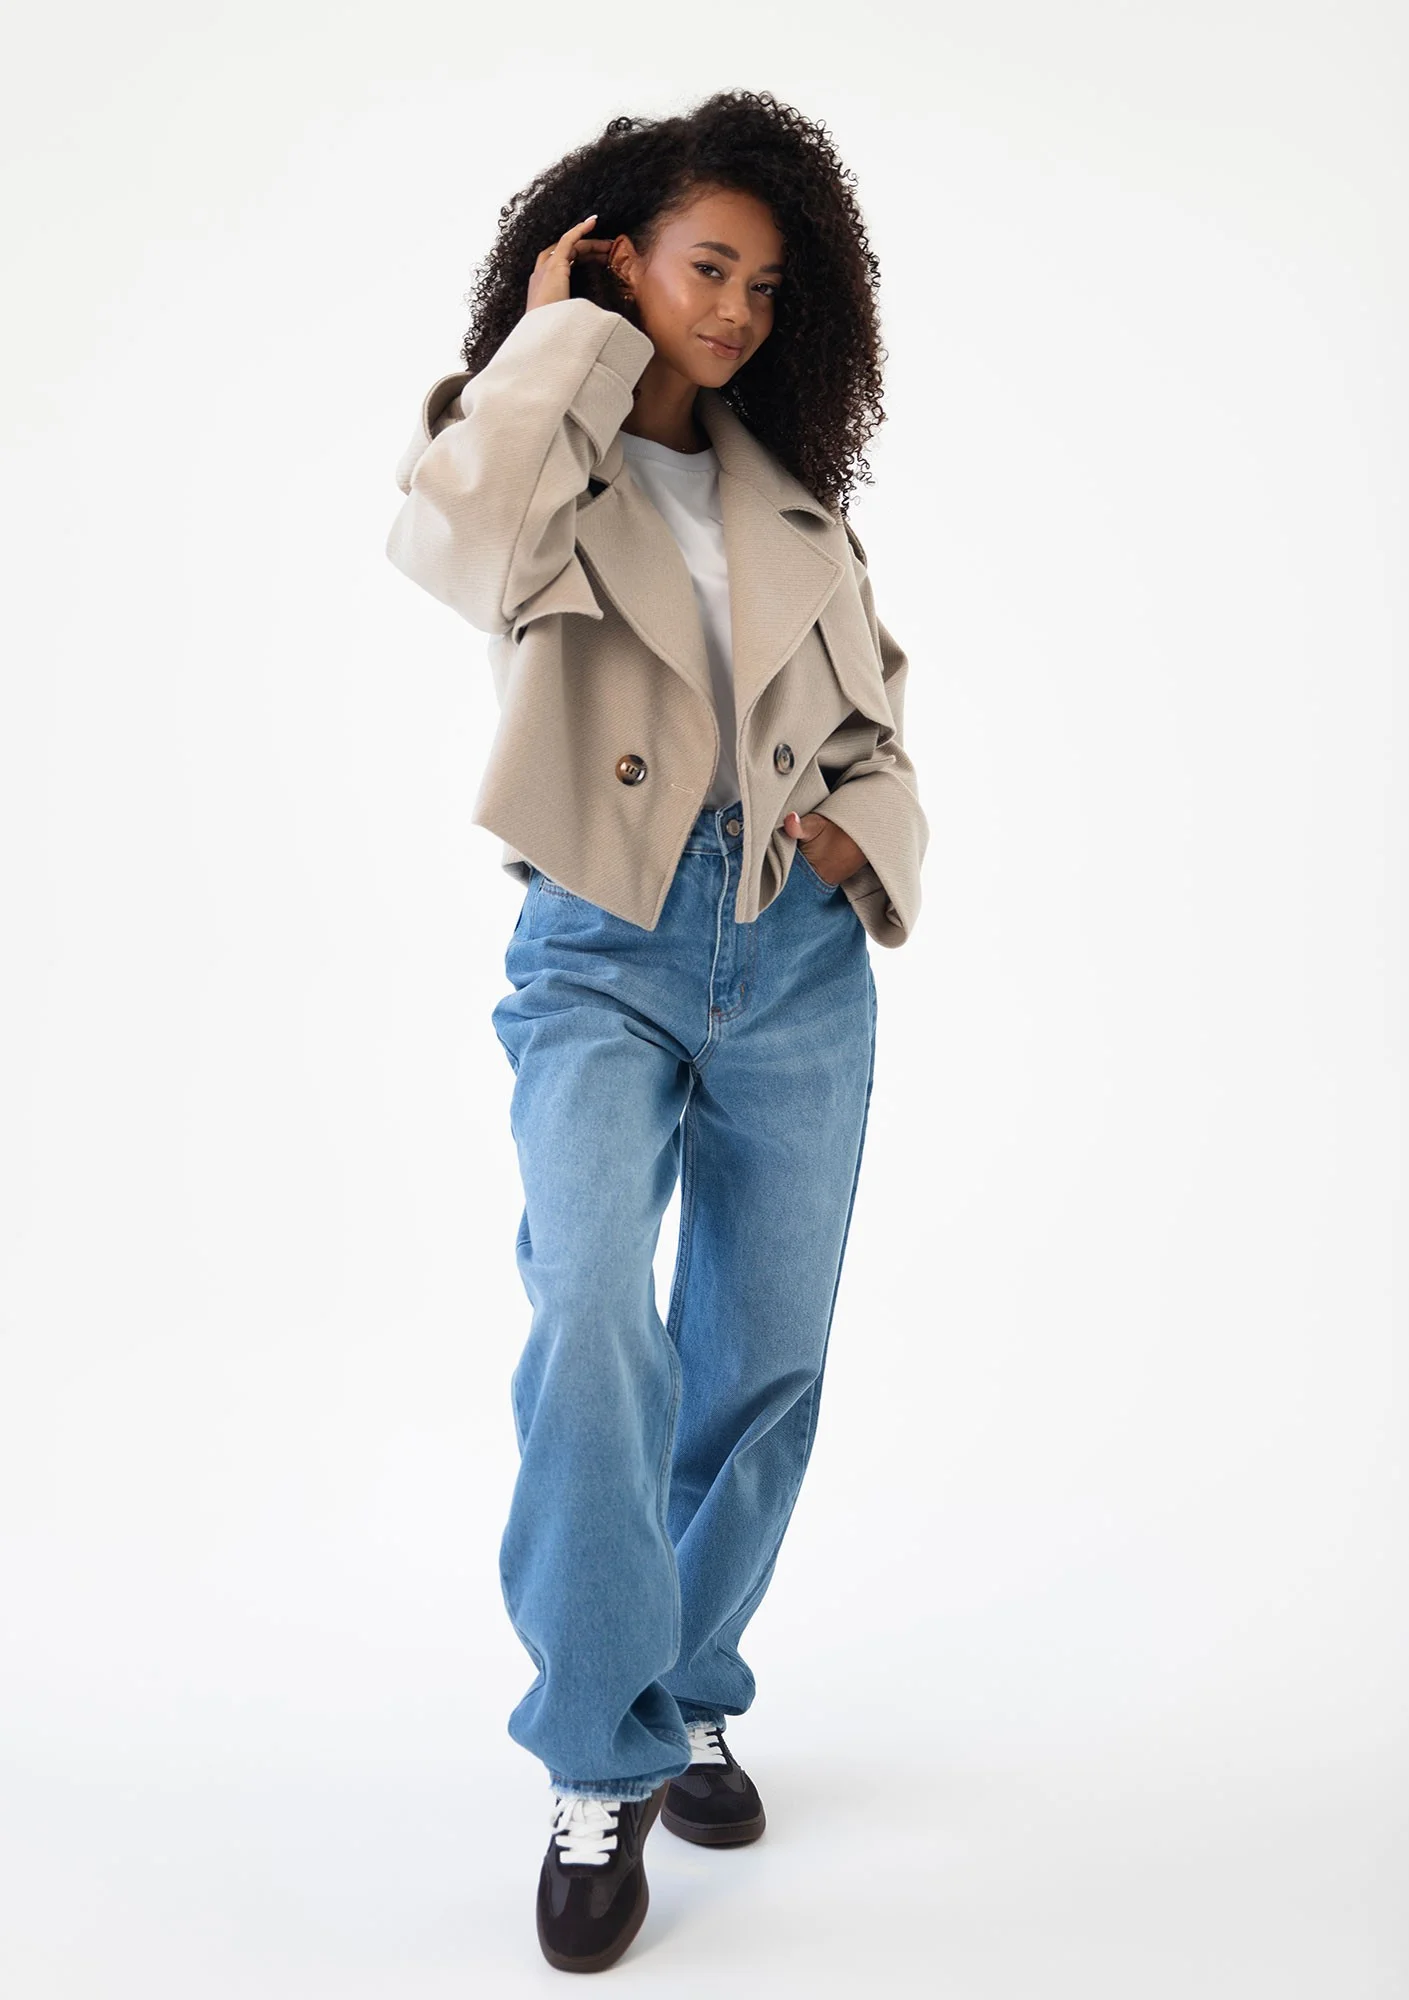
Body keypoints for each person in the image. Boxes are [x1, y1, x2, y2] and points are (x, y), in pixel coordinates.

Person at [385, 87, 928, 1975]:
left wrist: (860, 833)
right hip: (599, 941)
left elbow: (872, 725)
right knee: (593, 1314)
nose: (736, 312)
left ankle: (689, 1685)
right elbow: (447, 540)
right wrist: (560, 334)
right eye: (706, 268)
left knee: (761, 1357)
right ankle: (593, 1754)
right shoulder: (534, 453)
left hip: (791, 951)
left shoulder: (794, 507)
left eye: (766, 287)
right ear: (619, 255)